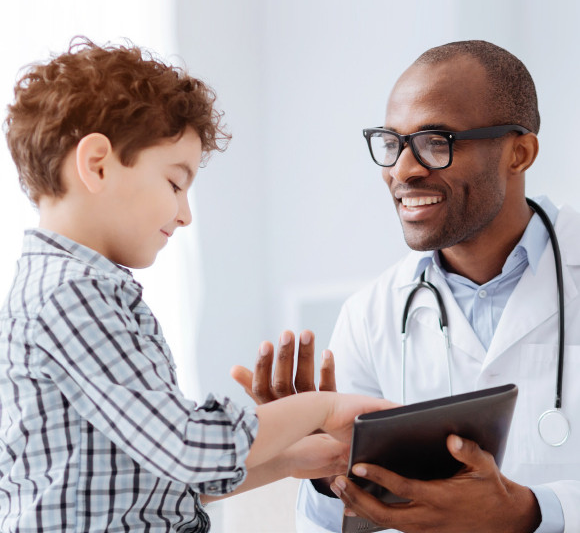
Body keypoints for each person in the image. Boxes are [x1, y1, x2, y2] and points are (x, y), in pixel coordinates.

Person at [0, 38, 395, 532]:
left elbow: (156, 481)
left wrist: (290, 460)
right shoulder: (72, 295)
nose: (185, 214)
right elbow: (187, 446)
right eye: (174, 183)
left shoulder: (81, 291)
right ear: (97, 164)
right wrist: (324, 405)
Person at [232, 40, 580, 532]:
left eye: (437, 142)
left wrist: (529, 513)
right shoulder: (370, 314)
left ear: (519, 153)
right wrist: (323, 464)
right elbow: (330, 526)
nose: (403, 169)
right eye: (393, 143)